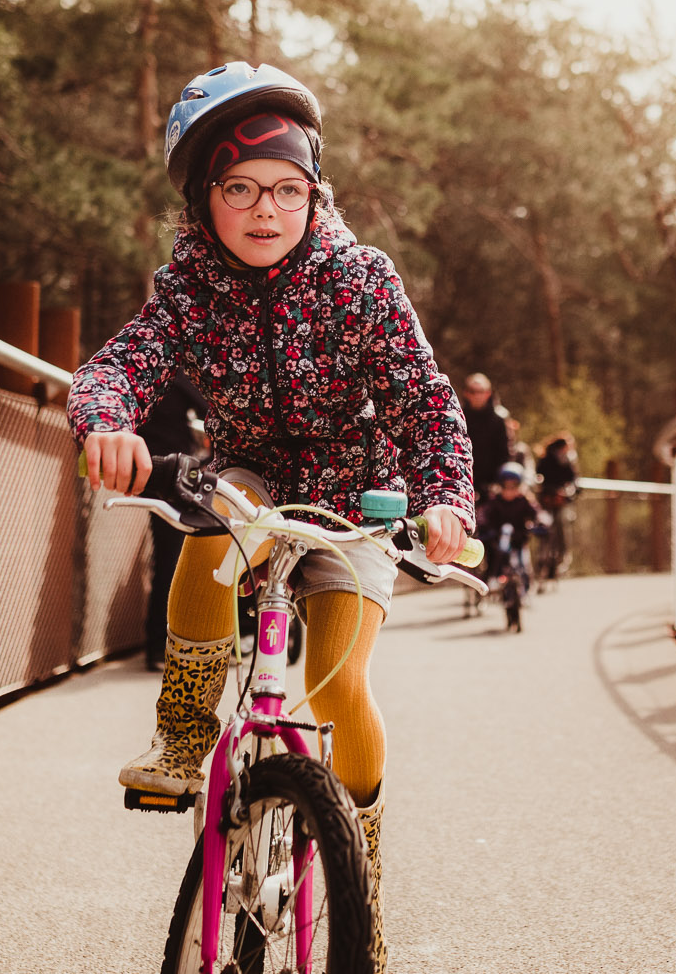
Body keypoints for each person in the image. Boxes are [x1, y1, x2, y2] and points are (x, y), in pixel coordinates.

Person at [72, 61, 472, 971]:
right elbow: (118, 365)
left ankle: (357, 856)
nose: (266, 209)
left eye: (289, 189)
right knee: (215, 523)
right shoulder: (187, 288)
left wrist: (445, 493)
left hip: (353, 486)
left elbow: (422, 399)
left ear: (314, 192)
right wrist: (107, 420)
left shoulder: (362, 279)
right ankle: (183, 737)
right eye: (241, 188)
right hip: (248, 468)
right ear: (203, 197)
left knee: (336, 683)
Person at [137, 378, 208, 671]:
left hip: (146, 471)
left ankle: (155, 645)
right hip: (174, 474)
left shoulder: (141, 372)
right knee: (175, 560)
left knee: (164, 557)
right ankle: (166, 644)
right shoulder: (175, 373)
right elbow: (209, 407)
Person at [477, 462, 539, 596]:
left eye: (514, 486)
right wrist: (484, 528)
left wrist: (537, 525)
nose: (510, 491)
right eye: (506, 486)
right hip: (499, 540)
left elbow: (537, 515)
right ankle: (491, 580)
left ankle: (526, 587)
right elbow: (483, 516)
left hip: (519, 539)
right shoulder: (494, 502)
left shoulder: (525, 501)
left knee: (524, 563)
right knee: (494, 559)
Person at [458, 372, 510, 498]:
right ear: (466, 393)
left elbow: (505, 452)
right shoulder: (458, 417)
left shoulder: (499, 418)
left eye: (480, 391)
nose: (476, 395)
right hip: (463, 480)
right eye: (472, 391)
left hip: (493, 484)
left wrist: (499, 482)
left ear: (488, 393)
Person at [536, 433, 579, 581]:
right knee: (544, 524)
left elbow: (574, 482)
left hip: (562, 501)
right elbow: (539, 477)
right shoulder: (546, 459)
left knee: (562, 521)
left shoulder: (569, 461)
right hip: (547, 499)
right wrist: (547, 492)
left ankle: (564, 554)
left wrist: (567, 494)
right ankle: (542, 556)